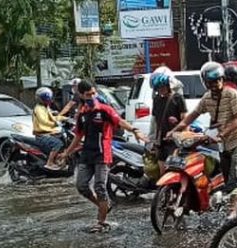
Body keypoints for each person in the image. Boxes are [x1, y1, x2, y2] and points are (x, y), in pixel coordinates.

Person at [64, 80, 146, 233]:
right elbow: (78, 135)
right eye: (88, 94)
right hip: (87, 154)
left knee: (100, 187)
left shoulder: (104, 110)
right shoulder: (82, 114)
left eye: (94, 93)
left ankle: (101, 221)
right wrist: (67, 153)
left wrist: (134, 129)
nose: (92, 96)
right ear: (81, 95)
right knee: (81, 186)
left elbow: (120, 121)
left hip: (103, 154)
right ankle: (104, 205)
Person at [170, 62, 237, 198]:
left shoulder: (232, 94)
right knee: (229, 179)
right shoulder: (207, 98)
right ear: (205, 83)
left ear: (222, 79)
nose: (214, 84)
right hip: (222, 144)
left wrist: (223, 133)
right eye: (210, 82)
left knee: (235, 180)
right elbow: (190, 117)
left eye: (217, 80)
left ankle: (232, 212)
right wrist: (173, 131)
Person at [148, 66, 187, 162]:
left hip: (174, 142)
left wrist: (180, 132)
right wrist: (152, 141)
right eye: (158, 87)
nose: (161, 89)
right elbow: (154, 122)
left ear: (169, 85)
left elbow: (185, 121)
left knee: (172, 169)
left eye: (163, 86)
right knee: (162, 173)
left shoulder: (178, 98)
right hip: (161, 142)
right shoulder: (156, 100)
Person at [32, 86, 71, 169]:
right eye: (46, 98)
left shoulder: (46, 107)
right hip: (42, 134)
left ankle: (58, 159)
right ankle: (49, 163)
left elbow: (53, 118)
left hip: (49, 132)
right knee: (58, 143)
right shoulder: (39, 108)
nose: (48, 100)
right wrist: (55, 124)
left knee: (64, 140)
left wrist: (66, 118)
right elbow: (44, 121)